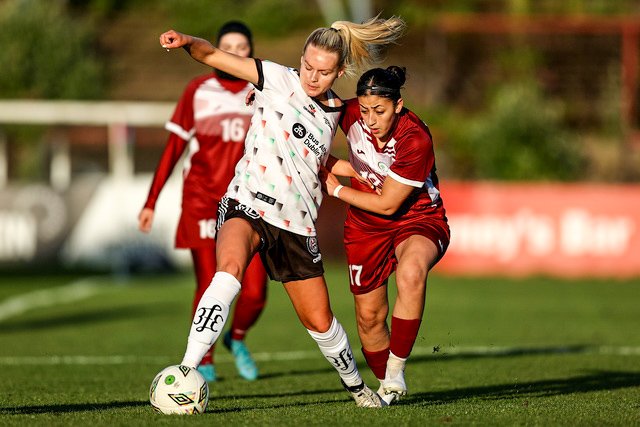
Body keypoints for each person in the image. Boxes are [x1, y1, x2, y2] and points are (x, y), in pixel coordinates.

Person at [158, 15, 406, 407]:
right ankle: (187, 370)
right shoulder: (273, 77)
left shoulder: (340, 112)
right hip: (247, 201)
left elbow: (332, 159)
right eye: (308, 66)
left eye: (324, 72)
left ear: (339, 71)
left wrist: (372, 174)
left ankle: (357, 388)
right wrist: (187, 39)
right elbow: (214, 56)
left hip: (295, 225)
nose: (312, 76)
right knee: (229, 271)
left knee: (319, 322)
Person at [139, 21, 268, 383]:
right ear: (217, 48)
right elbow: (173, 150)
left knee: (255, 291)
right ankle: (204, 359)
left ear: (250, 51)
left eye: (242, 47)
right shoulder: (197, 91)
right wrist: (151, 201)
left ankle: (236, 338)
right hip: (202, 200)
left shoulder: (264, 90)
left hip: (248, 201)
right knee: (209, 281)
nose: (234, 52)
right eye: (227, 45)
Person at [321, 66, 450, 405]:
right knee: (369, 318)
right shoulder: (349, 114)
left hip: (417, 217)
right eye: (364, 110)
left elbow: (390, 205)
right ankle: (386, 390)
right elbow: (304, 100)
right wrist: (260, 96)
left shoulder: (414, 138)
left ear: (398, 105)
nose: (370, 119)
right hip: (365, 226)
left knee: (411, 272)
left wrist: (338, 192)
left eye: (379, 111)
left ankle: (395, 374)